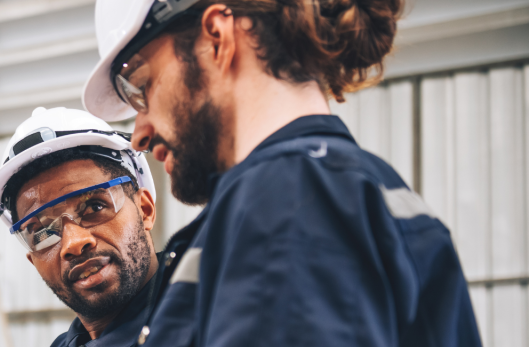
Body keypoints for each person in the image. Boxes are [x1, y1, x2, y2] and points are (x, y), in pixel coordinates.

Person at [79, 0, 482, 346]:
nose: (140, 134)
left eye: (143, 87)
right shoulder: (367, 188)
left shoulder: (284, 201)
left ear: (217, 37)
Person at [0, 107, 163, 347]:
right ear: (34, 261)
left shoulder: (209, 316)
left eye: (95, 207)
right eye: (43, 232)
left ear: (145, 210)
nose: (73, 243)